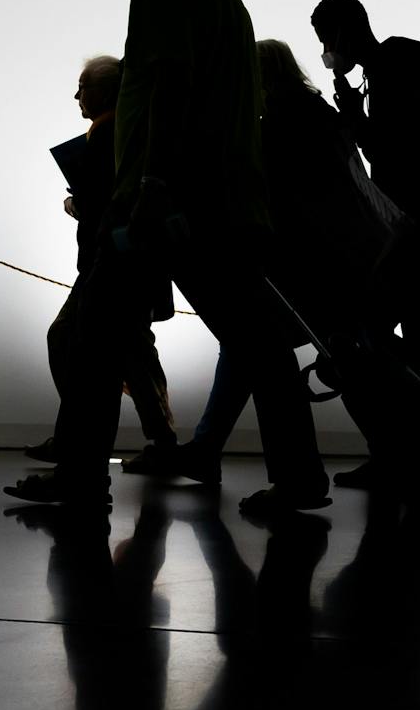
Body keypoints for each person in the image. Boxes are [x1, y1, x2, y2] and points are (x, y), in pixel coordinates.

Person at [5, 0, 329, 513]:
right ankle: (300, 476)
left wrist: (151, 186)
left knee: (95, 336)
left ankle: (79, 476)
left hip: (174, 202)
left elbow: (169, 87)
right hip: (220, 199)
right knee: (254, 344)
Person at [151, 39, 402, 488]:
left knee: (275, 348)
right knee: (330, 352)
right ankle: (391, 452)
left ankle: (380, 454)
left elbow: (276, 193)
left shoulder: (281, 123)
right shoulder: (317, 113)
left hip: (313, 263)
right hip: (348, 257)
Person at [310, 0, 420, 490]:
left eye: (325, 39)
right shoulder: (394, 67)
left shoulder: (387, 71)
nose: (325, 50)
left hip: (413, 216)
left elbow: (387, 146)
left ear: (343, 31)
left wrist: (352, 115)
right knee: (416, 315)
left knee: (374, 330)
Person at [31, 54, 177, 468]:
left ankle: (77, 444)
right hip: (127, 258)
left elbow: (104, 201)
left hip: (110, 261)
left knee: (70, 342)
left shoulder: (107, 132)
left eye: (84, 87)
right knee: (132, 351)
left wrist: (77, 204)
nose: (77, 95)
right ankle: (159, 443)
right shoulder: (125, 128)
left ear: (107, 90)